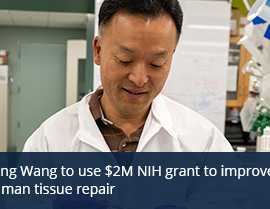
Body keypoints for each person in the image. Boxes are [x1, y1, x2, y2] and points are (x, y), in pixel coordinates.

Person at [23, 0, 232, 152]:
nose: (139, 79)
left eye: (156, 64)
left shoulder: (204, 143)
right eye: (125, 60)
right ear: (98, 51)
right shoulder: (49, 142)